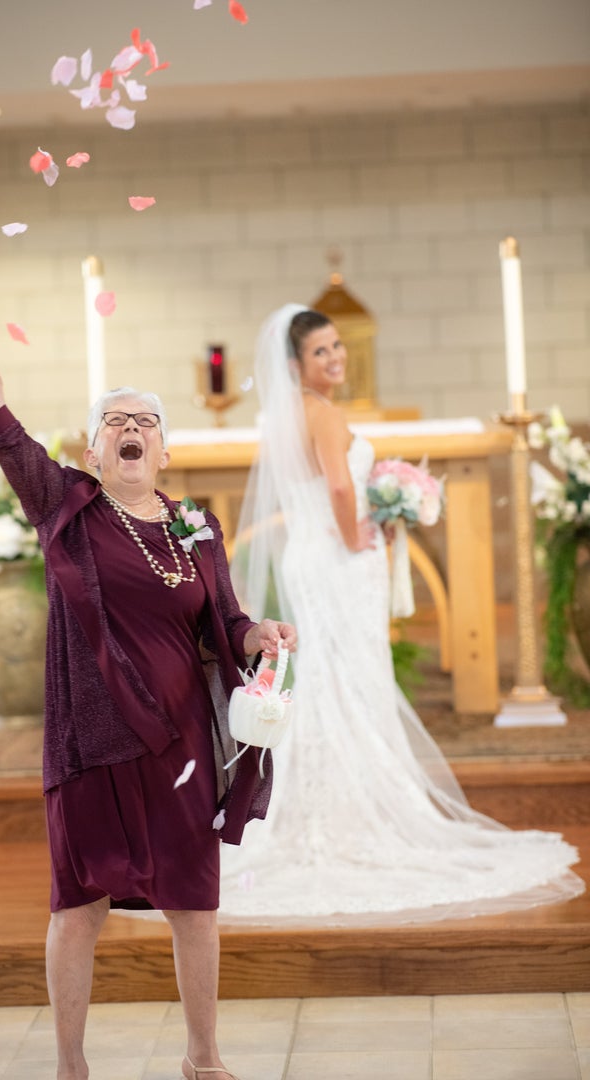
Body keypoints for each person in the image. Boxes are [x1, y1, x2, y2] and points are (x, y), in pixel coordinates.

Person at [0, 259, 297, 1080]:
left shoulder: (198, 531)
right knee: (79, 906)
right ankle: (70, 1067)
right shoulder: (68, 507)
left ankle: (203, 1061)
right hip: (92, 747)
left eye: (146, 420)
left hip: (182, 748)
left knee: (194, 907)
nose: (132, 429)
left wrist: (260, 636)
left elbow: (226, 627)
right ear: (94, 448)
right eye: (114, 421)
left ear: (164, 447)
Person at [219, 303, 584, 925]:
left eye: (338, 347)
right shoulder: (325, 414)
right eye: (321, 352)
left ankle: (322, 808)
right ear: (295, 364)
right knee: (352, 681)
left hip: (312, 557)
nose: (335, 359)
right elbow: (338, 487)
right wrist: (359, 535)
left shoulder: (289, 415)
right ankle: (350, 813)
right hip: (337, 558)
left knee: (334, 681)